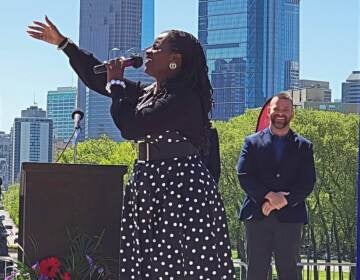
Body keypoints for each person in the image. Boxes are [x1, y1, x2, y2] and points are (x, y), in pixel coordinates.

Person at [28, 16, 235, 279]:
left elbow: (132, 127)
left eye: (157, 47)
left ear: (176, 59)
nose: (148, 51)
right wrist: (64, 44)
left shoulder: (183, 98)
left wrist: (116, 83)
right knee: (149, 261)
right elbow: (96, 79)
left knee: (178, 263)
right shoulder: (151, 93)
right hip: (150, 183)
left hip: (179, 189)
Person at [236, 93, 316, 280]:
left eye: (285, 110)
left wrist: (284, 200)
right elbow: (244, 175)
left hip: (291, 218)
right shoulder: (251, 142)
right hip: (257, 215)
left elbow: (307, 182)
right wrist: (269, 196)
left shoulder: (304, 146)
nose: (281, 113)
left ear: (292, 113)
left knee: (290, 271)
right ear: (269, 112)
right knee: (256, 270)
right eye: (276, 109)